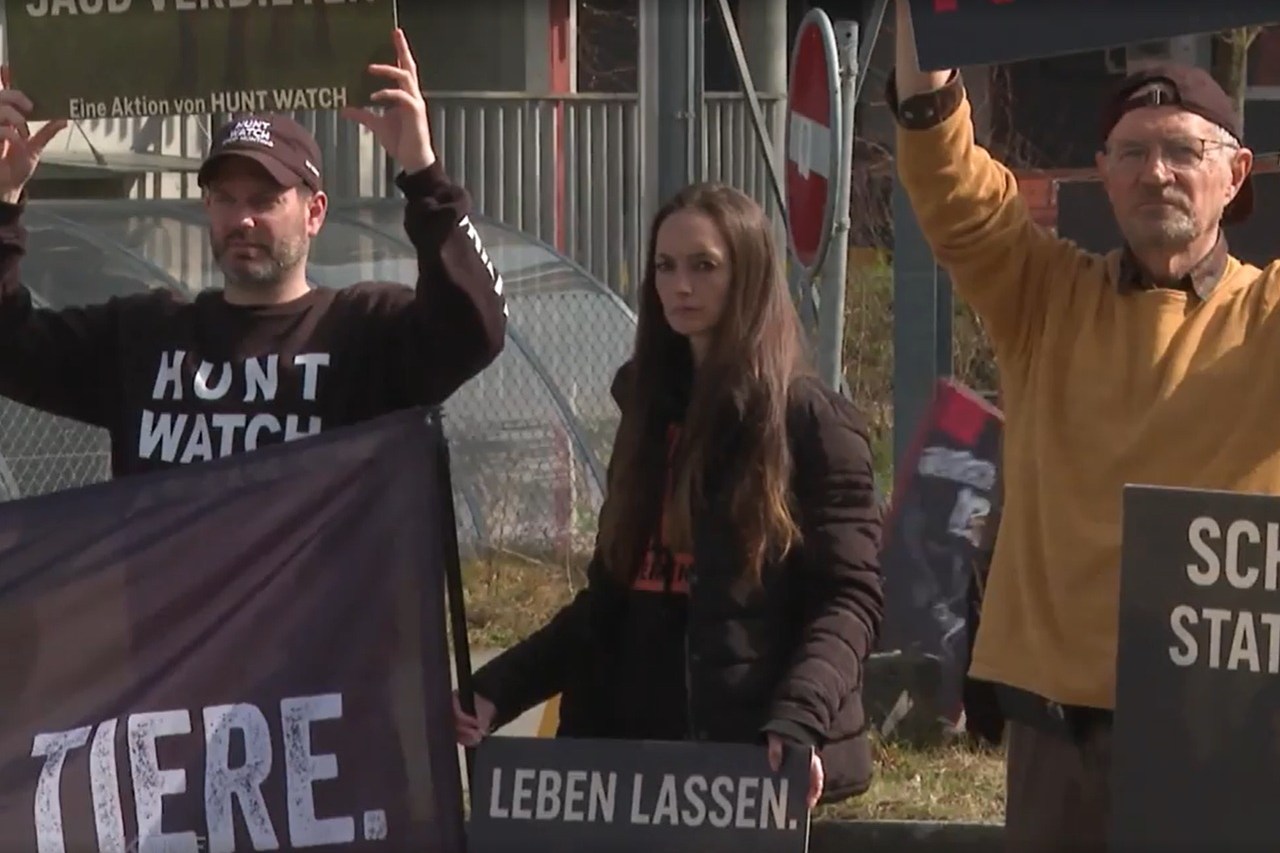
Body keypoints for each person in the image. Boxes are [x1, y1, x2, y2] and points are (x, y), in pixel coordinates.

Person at [890, 0, 1280, 847]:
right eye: (1132, 153)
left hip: (1224, 735)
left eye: (1183, 151)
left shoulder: (1269, 316)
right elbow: (948, 175)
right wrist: (928, 30)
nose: (1156, 173)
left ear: (1236, 173)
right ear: (1103, 172)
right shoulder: (1043, 296)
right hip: (1057, 738)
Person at [452, 182, 885, 808]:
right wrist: (496, 691)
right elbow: (608, 607)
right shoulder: (647, 413)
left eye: (704, 266)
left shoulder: (811, 423)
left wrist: (799, 717)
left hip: (745, 763)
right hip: (621, 765)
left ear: (748, 275)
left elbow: (850, 599)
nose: (680, 286)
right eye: (665, 266)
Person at [0, 28, 506, 478]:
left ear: (314, 213)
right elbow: (9, 349)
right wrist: (3, 199)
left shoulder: (363, 336)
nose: (243, 219)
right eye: (226, 199)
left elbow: (473, 329)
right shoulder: (144, 338)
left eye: (265, 200)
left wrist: (424, 174)